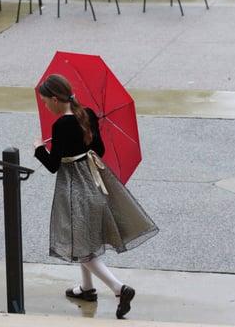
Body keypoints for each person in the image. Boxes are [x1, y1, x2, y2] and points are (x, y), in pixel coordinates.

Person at [34, 74, 159, 319]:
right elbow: (98, 149)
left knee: (81, 247)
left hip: (76, 190)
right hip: (95, 185)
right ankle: (87, 289)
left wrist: (39, 149)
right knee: (84, 240)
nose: (46, 106)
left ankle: (118, 288)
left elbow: (52, 165)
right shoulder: (88, 114)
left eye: (46, 101)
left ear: (56, 99)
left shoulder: (60, 125)